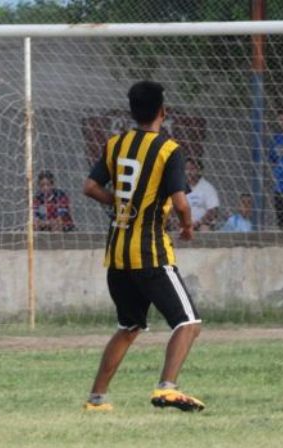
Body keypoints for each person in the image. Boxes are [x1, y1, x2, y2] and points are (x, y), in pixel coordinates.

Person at [82, 80, 205, 412]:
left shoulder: (115, 144)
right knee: (188, 322)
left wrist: (120, 204)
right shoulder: (169, 150)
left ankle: (96, 400)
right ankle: (167, 388)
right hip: (150, 253)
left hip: (117, 255)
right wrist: (188, 227)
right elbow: (180, 202)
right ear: (163, 112)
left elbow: (90, 186)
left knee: (129, 326)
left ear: (132, 112)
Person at [185, 158, 219, 231]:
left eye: (192, 169)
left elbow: (213, 211)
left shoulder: (207, 188)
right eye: (186, 169)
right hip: (184, 225)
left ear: (199, 171)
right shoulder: (181, 187)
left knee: (204, 228)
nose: (188, 172)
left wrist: (198, 223)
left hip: (200, 225)